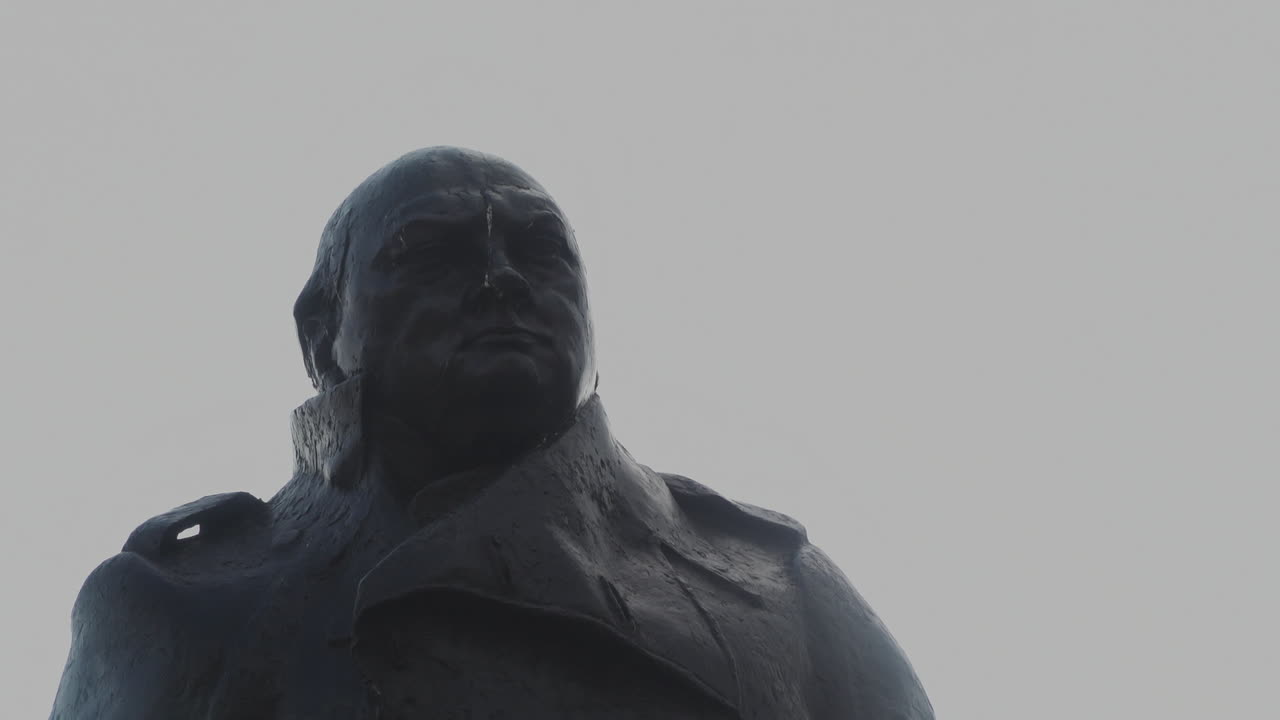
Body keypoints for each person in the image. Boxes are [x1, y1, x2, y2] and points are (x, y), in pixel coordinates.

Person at [50, 147, 934, 719]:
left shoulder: (780, 586)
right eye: (431, 254)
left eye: (542, 250)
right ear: (321, 334)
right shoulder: (179, 605)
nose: (502, 279)